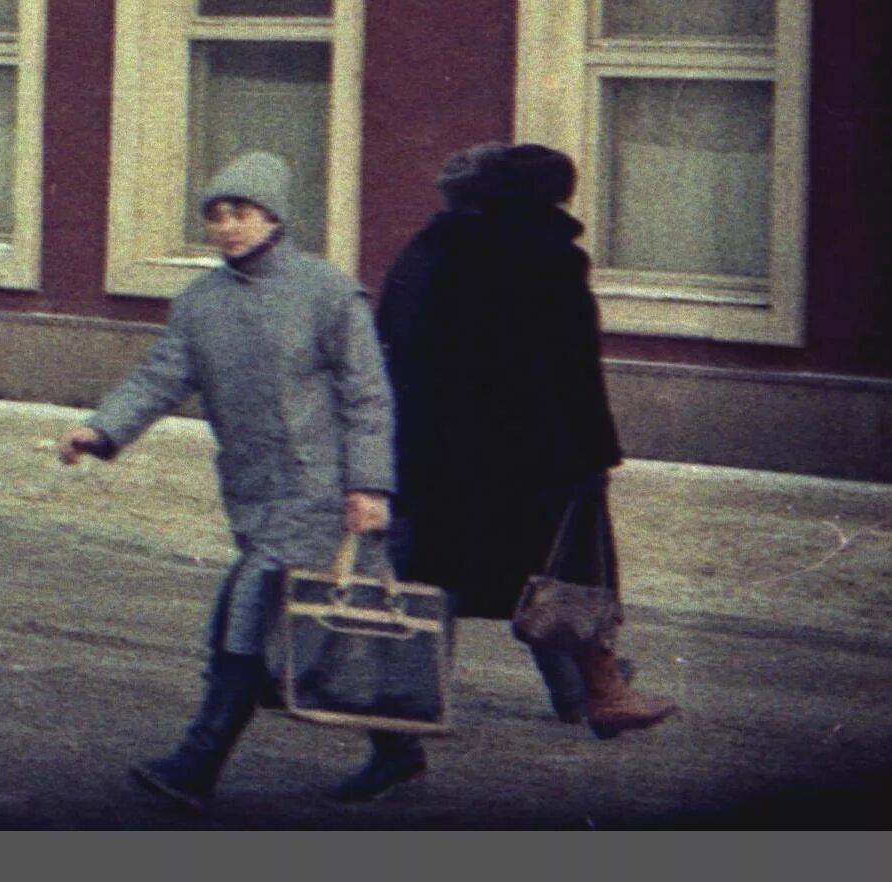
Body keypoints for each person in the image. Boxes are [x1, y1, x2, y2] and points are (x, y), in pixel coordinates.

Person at [59, 152, 416, 811]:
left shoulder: (328, 293)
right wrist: (101, 429)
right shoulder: (201, 304)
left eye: (241, 213)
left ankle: (196, 766)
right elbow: (159, 377)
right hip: (253, 492)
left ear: (274, 217)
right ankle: (399, 751)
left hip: (321, 491)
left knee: (244, 618)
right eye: (216, 216)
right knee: (313, 627)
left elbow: (369, 397)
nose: (227, 227)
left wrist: (370, 485)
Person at [376, 141, 673, 738]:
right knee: (558, 572)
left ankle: (412, 709)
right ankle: (594, 692)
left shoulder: (433, 251)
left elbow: (394, 342)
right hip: (541, 454)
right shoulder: (550, 259)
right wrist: (595, 454)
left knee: (445, 575)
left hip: (442, 452)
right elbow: (573, 371)